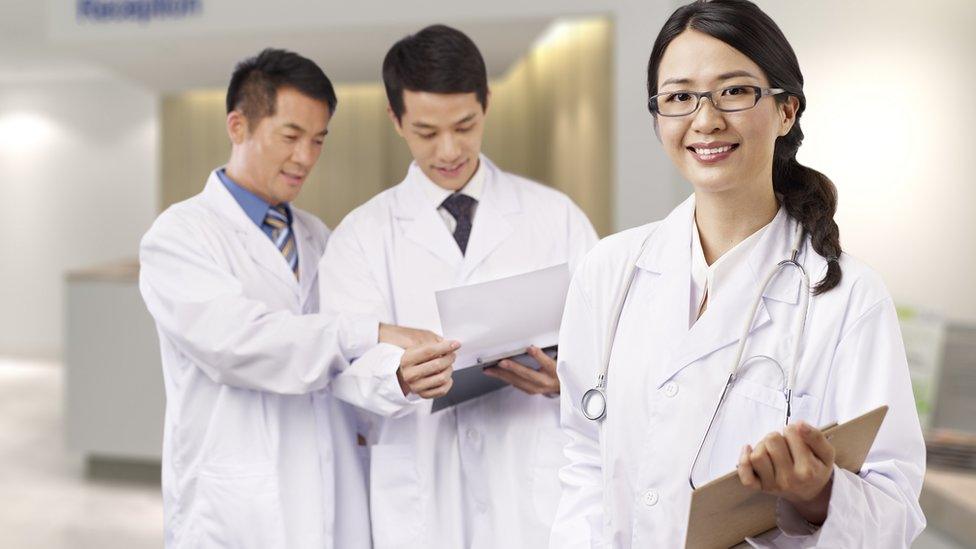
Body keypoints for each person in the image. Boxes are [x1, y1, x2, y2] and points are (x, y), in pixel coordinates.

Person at [551, 1, 926, 547]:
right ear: (658, 117)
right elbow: (584, 460)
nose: (706, 120)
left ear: (786, 111)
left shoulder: (846, 296)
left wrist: (817, 494)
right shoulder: (609, 270)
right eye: (680, 97)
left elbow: (895, 509)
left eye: (733, 91)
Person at [139, 48, 453, 549]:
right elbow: (237, 342)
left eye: (318, 140)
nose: (305, 157)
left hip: (329, 489)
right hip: (237, 505)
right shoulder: (179, 237)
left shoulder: (319, 237)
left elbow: (348, 365)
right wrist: (370, 331)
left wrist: (399, 370)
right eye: (290, 137)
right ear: (237, 126)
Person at [317, 24, 599, 549]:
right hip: (423, 497)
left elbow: (610, 350)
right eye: (426, 132)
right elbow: (341, 371)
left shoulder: (556, 217)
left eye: (465, 125)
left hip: (531, 495)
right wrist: (396, 377)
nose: (449, 149)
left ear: (487, 103)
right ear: (395, 119)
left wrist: (568, 381)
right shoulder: (361, 236)